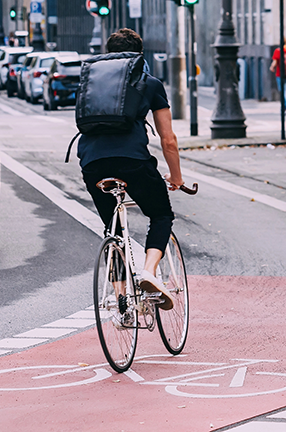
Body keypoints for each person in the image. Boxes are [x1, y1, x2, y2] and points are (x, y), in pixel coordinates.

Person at [78, 28, 184, 311]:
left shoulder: (91, 84)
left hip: (92, 164)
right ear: (139, 56)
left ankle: (120, 299)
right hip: (133, 162)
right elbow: (168, 140)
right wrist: (176, 176)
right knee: (161, 214)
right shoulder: (150, 83)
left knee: (112, 229)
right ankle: (148, 273)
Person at [269, 38, 286, 110]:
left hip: (280, 74)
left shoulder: (278, 51)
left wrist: (272, 67)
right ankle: (285, 105)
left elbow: (274, 62)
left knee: (283, 91)